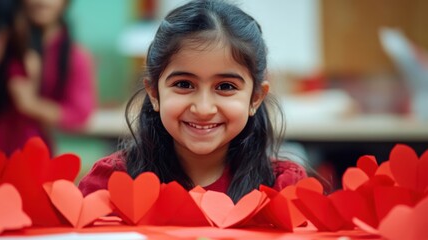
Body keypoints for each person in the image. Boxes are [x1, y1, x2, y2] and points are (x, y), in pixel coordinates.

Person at [79, 0, 306, 202]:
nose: (203, 109)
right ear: (154, 94)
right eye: (184, 84)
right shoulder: (110, 184)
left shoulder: (284, 189)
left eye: (225, 87)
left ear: (256, 98)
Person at [0, 0, 96, 155]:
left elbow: (80, 112)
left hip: (34, 152)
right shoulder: (8, 43)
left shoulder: (76, 56)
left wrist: (31, 105)